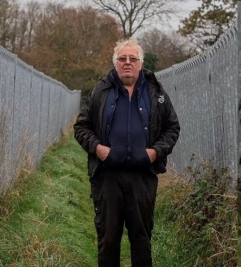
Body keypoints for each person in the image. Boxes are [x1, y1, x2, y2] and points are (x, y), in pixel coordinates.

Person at [73, 38, 180, 266]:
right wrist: (98, 149)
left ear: (141, 63)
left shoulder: (156, 93)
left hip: (142, 178)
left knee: (141, 240)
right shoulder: (101, 91)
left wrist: (155, 153)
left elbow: (172, 127)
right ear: (115, 63)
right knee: (108, 239)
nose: (127, 63)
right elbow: (81, 126)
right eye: (122, 59)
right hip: (107, 178)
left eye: (133, 59)